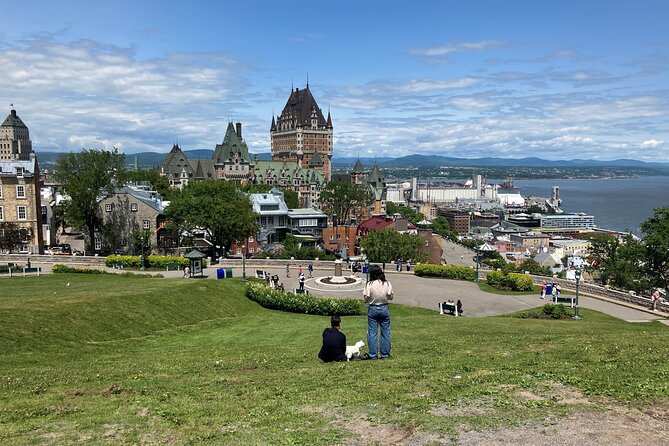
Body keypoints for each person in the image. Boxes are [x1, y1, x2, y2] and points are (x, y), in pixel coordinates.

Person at [363, 265, 393, 359]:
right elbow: (391, 297)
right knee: (385, 332)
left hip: (373, 308)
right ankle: (384, 354)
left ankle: (373, 354)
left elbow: (366, 297)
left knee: (372, 332)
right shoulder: (387, 283)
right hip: (384, 307)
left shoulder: (369, 284)